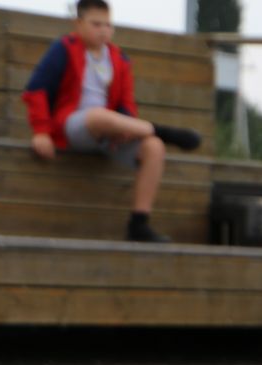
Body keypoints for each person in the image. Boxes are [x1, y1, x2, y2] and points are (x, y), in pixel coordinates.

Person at [19, 0, 202, 244]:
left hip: (108, 131)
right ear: (78, 23)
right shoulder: (64, 48)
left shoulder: (119, 58)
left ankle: (139, 223)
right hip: (73, 126)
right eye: (96, 24)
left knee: (154, 147)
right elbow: (36, 90)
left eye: (108, 25)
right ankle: (163, 130)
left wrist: (127, 128)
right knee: (98, 115)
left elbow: (126, 103)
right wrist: (41, 132)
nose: (103, 30)